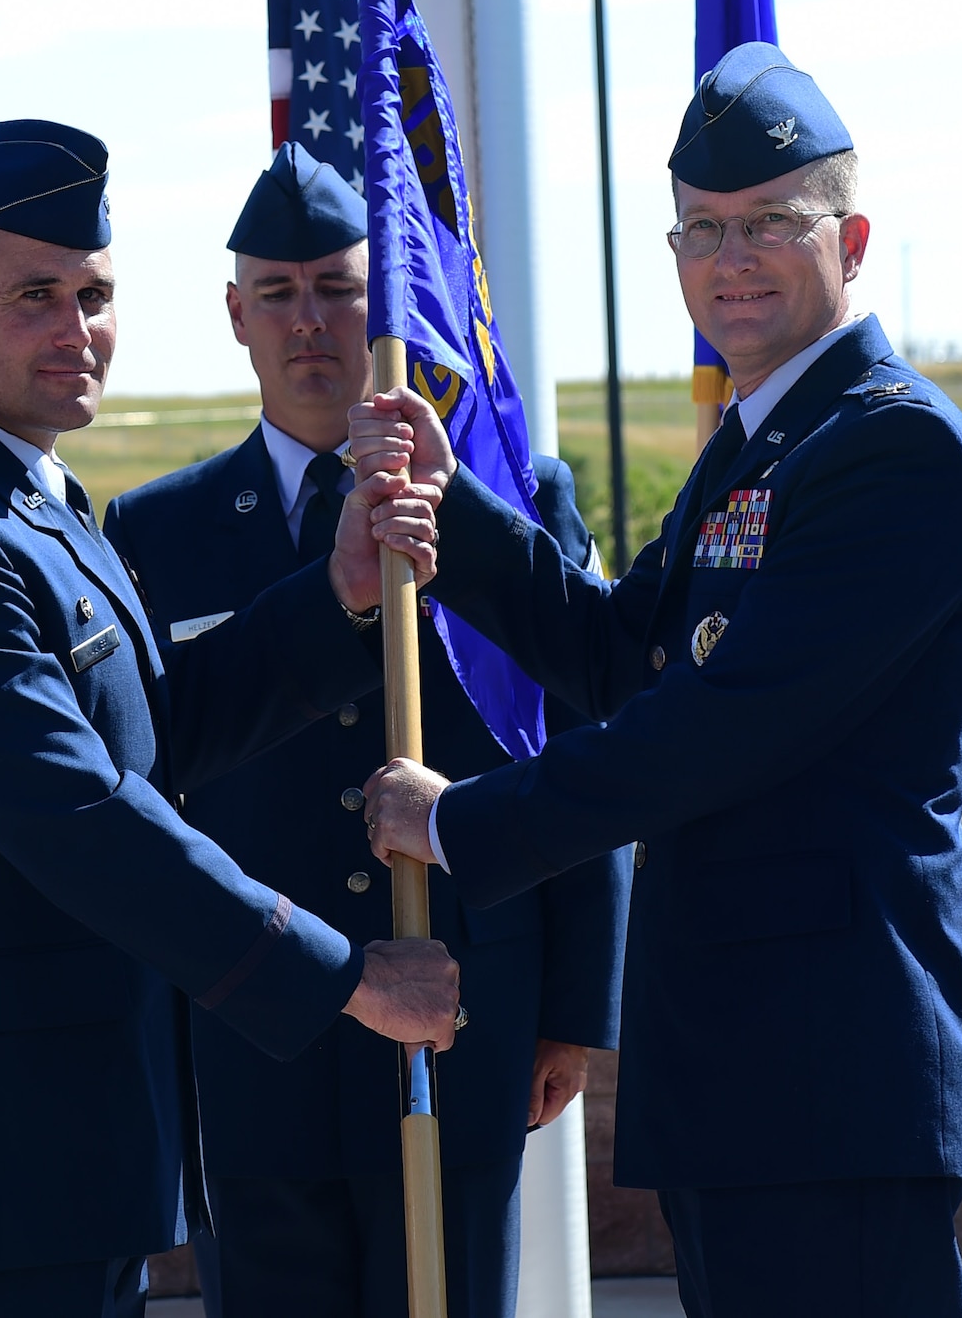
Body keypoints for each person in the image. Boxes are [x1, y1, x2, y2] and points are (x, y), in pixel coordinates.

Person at [356, 44, 962, 1318]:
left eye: (770, 222)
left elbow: (706, 732)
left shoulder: (895, 450)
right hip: (740, 1066)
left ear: (852, 237)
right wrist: (454, 508)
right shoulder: (757, 446)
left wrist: (453, 822)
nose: (732, 259)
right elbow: (619, 657)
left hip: (836, 1070)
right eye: (700, 231)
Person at [0, 120, 461, 1318]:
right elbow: (85, 819)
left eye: (93, 294)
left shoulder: (23, 502)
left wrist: (337, 593)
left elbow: (151, 737)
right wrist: (348, 976)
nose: (76, 329)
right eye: (35, 295)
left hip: (70, 1140)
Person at [104, 143, 631, 1318]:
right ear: (234, 313)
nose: (310, 323)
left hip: (463, 1009)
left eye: (339, 289)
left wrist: (571, 1005)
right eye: (278, 294)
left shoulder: (503, 497)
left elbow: (582, 737)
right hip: (258, 1026)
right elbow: (148, 785)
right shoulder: (160, 529)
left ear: (383, 304)